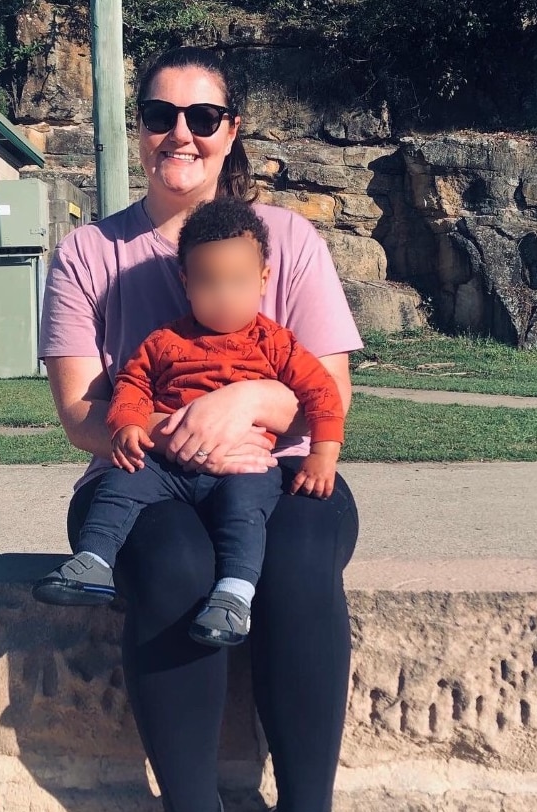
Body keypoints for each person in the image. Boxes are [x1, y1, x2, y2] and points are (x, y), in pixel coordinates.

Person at [38, 44, 362, 812]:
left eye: (202, 117)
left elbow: (329, 382)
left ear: (230, 132)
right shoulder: (89, 253)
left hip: (279, 472)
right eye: (158, 115)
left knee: (295, 562)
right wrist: (168, 431)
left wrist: (248, 400)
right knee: (176, 570)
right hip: (143, 478)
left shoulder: (287, 240)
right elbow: (79, 413)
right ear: (137, 129)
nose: (178, 133)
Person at [33, 197, 345, 650]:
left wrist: (323, 454)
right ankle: (93, 560)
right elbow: (132, 384)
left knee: (246, 511)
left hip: (245, 463)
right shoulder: (166, 341)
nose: (223, 296)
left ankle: (235, 594)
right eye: (209, 283)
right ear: (186, 282)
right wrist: (129, 425)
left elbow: (323, 394)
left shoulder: (276, 344)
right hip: (169, 465)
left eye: (237, 283)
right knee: (123, 482)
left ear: (263, 281)